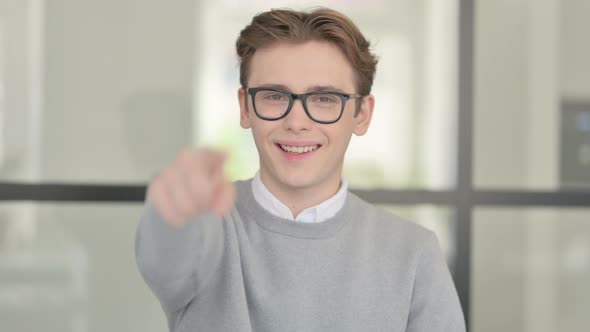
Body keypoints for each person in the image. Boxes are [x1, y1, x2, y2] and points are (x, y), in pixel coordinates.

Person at [135, 7, 466, 332]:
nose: (296, 122)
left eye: (324, 99)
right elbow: (163, 258)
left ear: (362, 114)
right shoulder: (204, 231)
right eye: (274, 96)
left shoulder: (414, 254)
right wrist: (171, 212)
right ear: (245, 107)